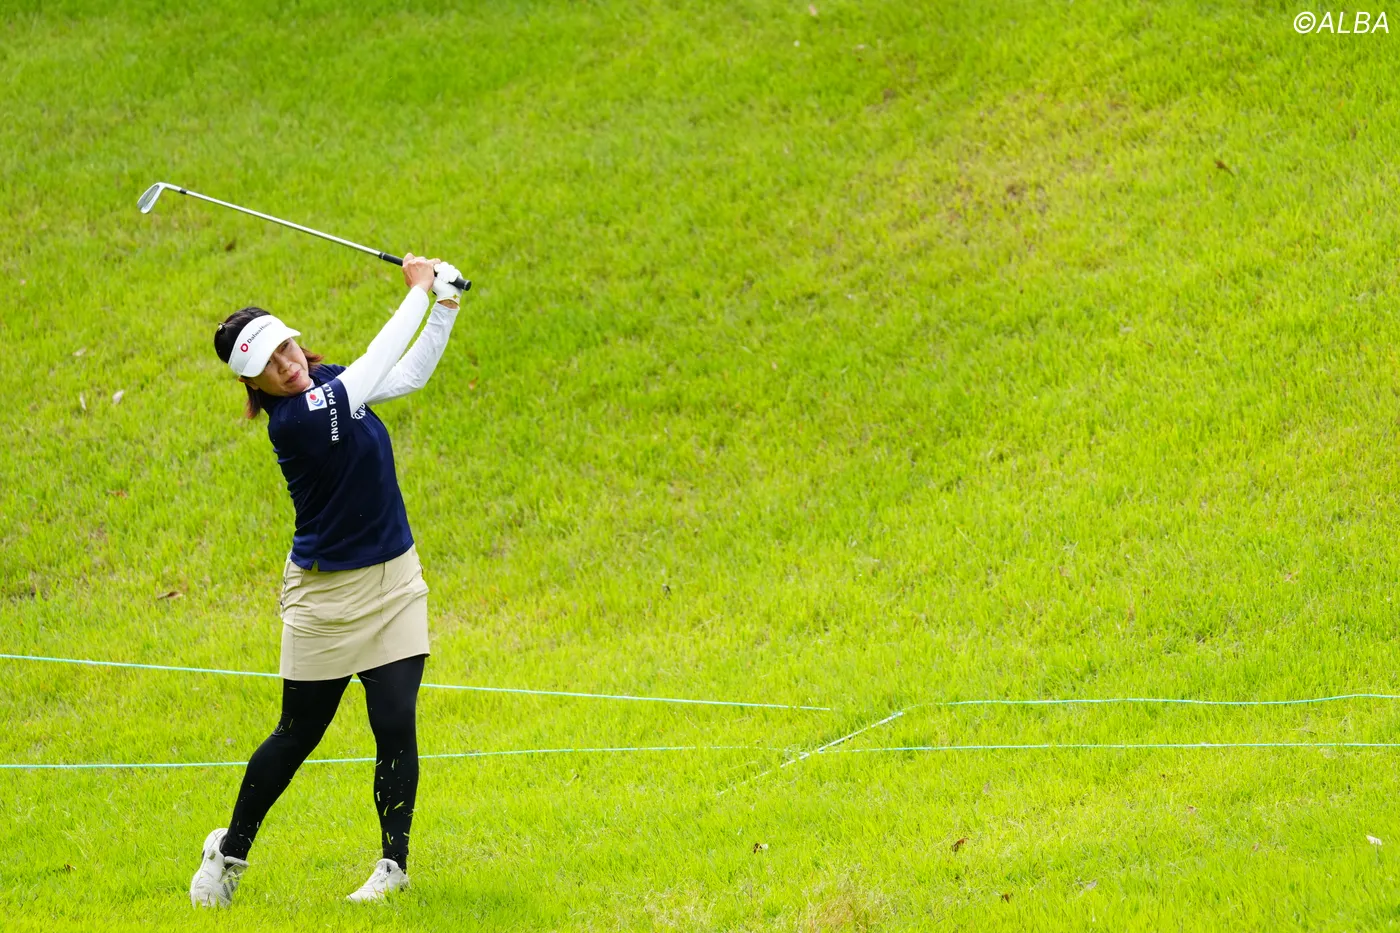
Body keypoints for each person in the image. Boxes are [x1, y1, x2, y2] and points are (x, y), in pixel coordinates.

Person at [189, 253, 463, 907]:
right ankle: (228, 854)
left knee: (395, 720)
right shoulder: (298, 420)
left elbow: (407, 373)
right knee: (298, 733)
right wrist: (419, 290)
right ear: (253, 384)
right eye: (267, 366)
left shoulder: (329, 380)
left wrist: (446, 306)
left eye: (285, 348)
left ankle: (393, 866)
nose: (286, 365)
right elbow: (375, 360)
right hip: (325, 597)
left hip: (394, 580)